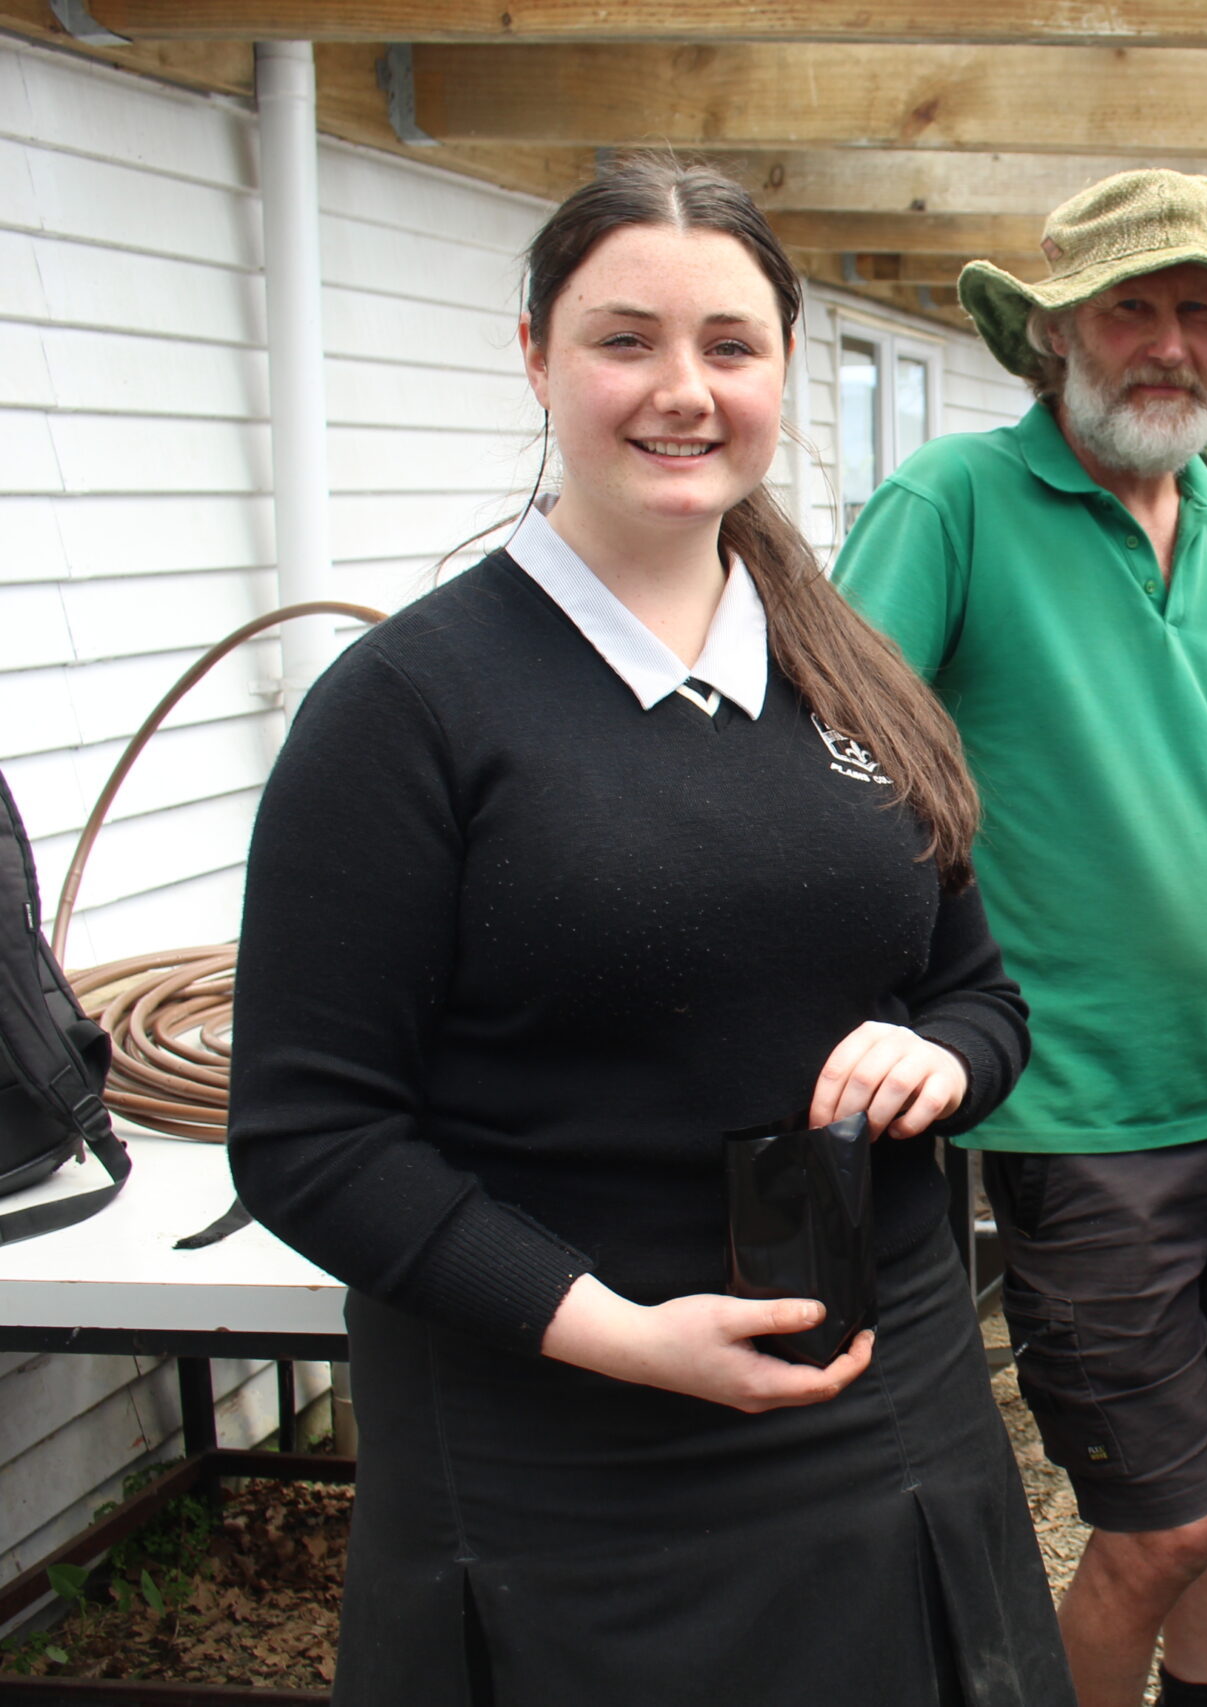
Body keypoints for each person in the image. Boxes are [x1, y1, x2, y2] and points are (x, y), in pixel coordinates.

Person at [227, 157, 1074, 1707]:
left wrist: (936, 1057)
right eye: (625, 340)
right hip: (564, 1469)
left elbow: (984, 999)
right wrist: (613, 1329)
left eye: (729, 347)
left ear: (782, 370)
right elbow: (311, 1136)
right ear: (537, 355)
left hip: (887, 1438)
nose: (682, 391)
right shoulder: (410, 712)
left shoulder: (858, 680)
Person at [830, 170, 1207, 1707]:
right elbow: (849, 769)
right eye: (1130, 307)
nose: (1168, 343)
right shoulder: (953, 505)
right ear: (1054, 329)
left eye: (1198, 311)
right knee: (1157, 1523)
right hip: (1085, 1107)